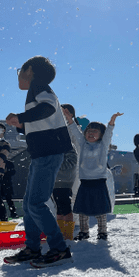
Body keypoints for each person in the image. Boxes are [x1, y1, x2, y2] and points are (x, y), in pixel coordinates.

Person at [4, 56, 73, 267]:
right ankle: (32, 248)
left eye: (20, 70)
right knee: (28, 203)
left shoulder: (39, 87)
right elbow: (43, 119)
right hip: (42, 153)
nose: (18, 75)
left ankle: (59, 248)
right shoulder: (37, 90)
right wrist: (21, 124)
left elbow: (48, 108)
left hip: (48, 152)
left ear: (29, 70)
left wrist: (21, 117)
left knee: (35, 202)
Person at [70, 112, 123, 241]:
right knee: (83, 210)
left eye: (95, 131)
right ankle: (84, 231)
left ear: (101, 135)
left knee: (100, 210)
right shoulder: (83, 144)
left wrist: (111, 122)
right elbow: (76, 133)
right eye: (89, 130)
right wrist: (69, 119)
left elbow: (109, 135)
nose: (91, 133)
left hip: (99, 182)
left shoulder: (103, 145)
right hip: (85, 182)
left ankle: (102, 232)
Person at [52, 103, 79, 240]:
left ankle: (68, 233)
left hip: (68, 176)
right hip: (56, 177)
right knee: (59, 205)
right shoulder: (57, 129)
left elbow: (73, 155)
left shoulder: (73, 130)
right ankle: (61, 232)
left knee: (66, 204)